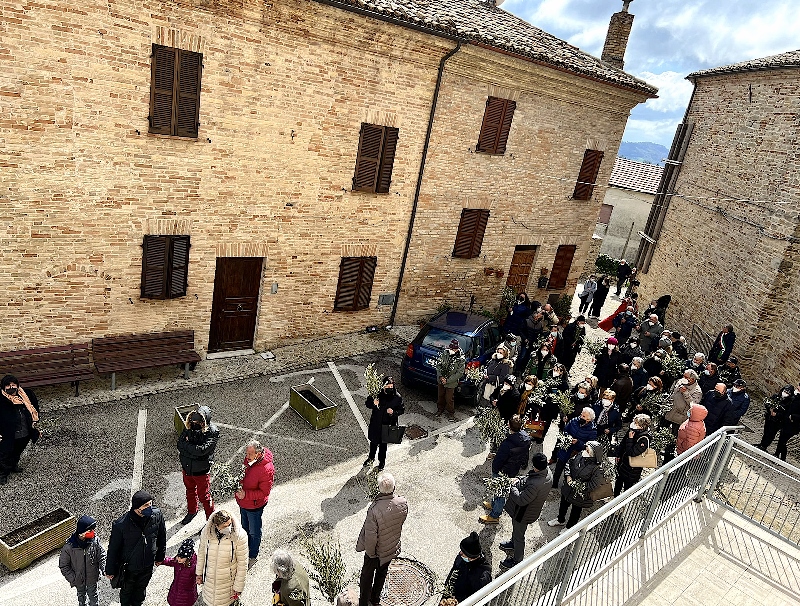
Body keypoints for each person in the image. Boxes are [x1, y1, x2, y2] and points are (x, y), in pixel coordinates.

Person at [106, 490, 167, 606]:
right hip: (129, 568)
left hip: (147, 565)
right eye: (146, 505)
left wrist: (160, 556)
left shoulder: (157, 515)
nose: (150, 507)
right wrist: (110, 570)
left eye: (150, 504)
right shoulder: (120, 525)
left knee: (140, 591)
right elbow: (113, 549)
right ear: (137, 507)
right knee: (126, 592)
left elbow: (161, 536)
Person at [356, 472, 408, 606]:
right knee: (381, 574)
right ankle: (375, 599)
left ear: (379, 488)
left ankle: (364, 602)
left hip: (375, 552)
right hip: (390, 548)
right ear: (394, 487)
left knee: (366, 578)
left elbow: (371, 536)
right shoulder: (402, 503)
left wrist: (370, 554)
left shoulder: (374, 509)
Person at [499, 453, 552, 570]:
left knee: (519, 536)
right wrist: (518, 479)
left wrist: (511, 487)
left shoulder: (536, 484)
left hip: (523, 513)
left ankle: (517, 561)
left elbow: (521, 500)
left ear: (537, 467)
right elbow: (529, 477)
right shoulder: (547, 472)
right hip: (530, 510)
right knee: (517, 531)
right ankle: (512, 543)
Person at [480, 415, 531, 524]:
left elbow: (500, 459)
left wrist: (495, 469)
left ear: (509, 425)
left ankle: (495, 515)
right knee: (499, 491)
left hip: (502, 471)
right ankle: (493, 505)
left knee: (500, 493)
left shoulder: (507, 444)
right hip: (513, 469)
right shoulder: (526, 439)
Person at [548, 441, 605, 532]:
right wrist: (568, 476)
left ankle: (569, 528)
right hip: (568, 488)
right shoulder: (580, 455)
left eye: (588, 451)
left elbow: (594, 485)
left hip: (580, 495)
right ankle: (560, 520)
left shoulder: (598, 469)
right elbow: (569, 463)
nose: (585, 451)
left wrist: (578, 486)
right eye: (586, 449)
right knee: (563, 505)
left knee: (575, 512)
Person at [177, 405, 220, 525]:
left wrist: (188, 447)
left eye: (198, 421)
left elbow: (202, 450)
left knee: (204, 496)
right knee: (190, 491)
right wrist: (193, 451)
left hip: (201, 471)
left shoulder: (212, 431)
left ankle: (210, 520)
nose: (195, 423)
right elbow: (180, 445)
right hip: (187, 468)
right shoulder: (189, 427)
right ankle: (192, 511)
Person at [235, 440, 275, 566]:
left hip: (254, 506)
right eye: (246, 453)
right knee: (244, 527)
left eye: (249, 454)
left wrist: (246, 495)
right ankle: (245, 547)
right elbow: (243, 475)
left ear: (258, 454)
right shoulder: (249, 460)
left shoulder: (266, 469)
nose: (246, 457)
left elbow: (264, 492)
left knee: (254, 531)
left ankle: (252, 554)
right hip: (244, 503)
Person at [196, 510, 248, 606]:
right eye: (225, 526)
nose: (228, 528)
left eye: (229, 524)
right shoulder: (206, 533)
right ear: (216, 525)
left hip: (227, 585)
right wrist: (199, 573)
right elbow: (201, 554)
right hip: (209, 583)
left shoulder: (240, 536)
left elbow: (242, 563)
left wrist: (238, 587)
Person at [0, 374, 41, 484]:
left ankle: (13, 466)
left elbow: (35, 407)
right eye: (8, 385)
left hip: (25, 430)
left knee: (18, 451)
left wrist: (35, 421)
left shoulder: (26, 395)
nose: (11, 387)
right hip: (8, 433)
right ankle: (3, 473)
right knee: (5, 453)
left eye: (14, 385)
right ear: (3, 387)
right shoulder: (1, 399)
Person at [59, 515, 106, 606]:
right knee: (81, 596)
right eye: (90, 531)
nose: (93, 532)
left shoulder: (95, 541)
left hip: (92, 578)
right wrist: (73, 578)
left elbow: (102, 556)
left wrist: (104, 568)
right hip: (78, 580)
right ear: (82, 532)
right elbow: (64, 566)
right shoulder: (69, 547)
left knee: (93, 596)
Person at [364, 377, 404, 471]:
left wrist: (393, 412)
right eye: (387, 386)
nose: (390, 388)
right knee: (373, 443)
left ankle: (381, 462)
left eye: (391, 386)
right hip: (376, 423)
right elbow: (367, 404)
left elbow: (401, 410)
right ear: (383, 387)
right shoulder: (377, 394)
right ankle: (371, 458)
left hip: (387, 425)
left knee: (383, 446)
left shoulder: (397, 397)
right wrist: (373, 403)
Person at [551, 407, 597, 487]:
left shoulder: (592, 431)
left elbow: (589, 446)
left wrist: (578, 442)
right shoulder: (574, 421)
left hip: (575, 454)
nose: (581, 417)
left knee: (570, 472)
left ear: (589, 419)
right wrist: (567, 437)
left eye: (583, 416)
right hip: (565, 450)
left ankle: (566, 487)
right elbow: (565, 430)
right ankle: (554, 483)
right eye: (581, 414)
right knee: (558, 468)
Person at [444, 532, 492, 600]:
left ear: (471, 557)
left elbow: (477, 598)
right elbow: (452, 573)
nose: (460, 553)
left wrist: (457, 600)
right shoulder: (461, 558)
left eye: (463, 553)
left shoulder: (482, 577)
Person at [614, 414, 652, 496]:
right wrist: (618, 455)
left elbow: (631, 453)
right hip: (623, 463)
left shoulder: (644, 439)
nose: (633, 424)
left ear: (642, 426)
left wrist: (630, 439)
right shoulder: (632, 431)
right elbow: (623, 443)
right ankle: (615, 497)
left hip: (632, 469)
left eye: (636, 423)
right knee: (618, 481)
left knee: (627, 487)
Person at [757, 385, 794, 453]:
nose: (785, 393)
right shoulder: (776, 396)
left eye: (788, 393)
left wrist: (777, 414)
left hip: (777, 421)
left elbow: (786, 414)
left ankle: (765, 445)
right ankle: (762, 443)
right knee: (766, 431)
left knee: (771, 433)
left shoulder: (789, 403)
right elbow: (768, 403)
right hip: (769, 417)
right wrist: (769, 408)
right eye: (785, 391)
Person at [162, 538, 198, 606]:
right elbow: (170, 561)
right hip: (175, 593)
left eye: (181, 558)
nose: (179, 559)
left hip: (187, 597)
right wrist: (161, 560)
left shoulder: (193, 567)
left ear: (188, 558)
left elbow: (199, 575)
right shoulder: (177, 562)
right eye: (178, 556)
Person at [437, 339, 465, 422]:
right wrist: (441, 376)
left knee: (449, 399)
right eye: (452, 349)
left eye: (455, 349)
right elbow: (439, 365)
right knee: (440, 396)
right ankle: (440, 409)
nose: (453, 350)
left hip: (451, 382)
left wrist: (448, 380)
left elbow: (459, 373)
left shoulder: (461, 358)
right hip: (441, 380)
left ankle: (451, 413)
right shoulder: (445, 353)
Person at [775, 392, 800, 461]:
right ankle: (777, 454)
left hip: (794, 425)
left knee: (783, 441)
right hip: (786, 422)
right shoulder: (795, 397)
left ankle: (783, 457)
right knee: (781, 439)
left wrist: (793, 417)